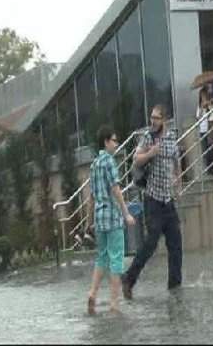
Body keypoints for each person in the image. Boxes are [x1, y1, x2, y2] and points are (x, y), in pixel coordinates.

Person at [121, 104, 183, 299]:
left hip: (168, 200)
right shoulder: (148, 137)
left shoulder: (171, 136)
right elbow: (136, 160)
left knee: (176, 245)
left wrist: (178, 180)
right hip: (153, 199)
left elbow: (175, 160)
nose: (153, 121)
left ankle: (174, 287)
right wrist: (150, 154)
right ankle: (129, 278)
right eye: (151, 118)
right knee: (151, 242)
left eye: (156, 118)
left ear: (164, 120)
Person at [87, 126, 136, 315]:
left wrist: (88, 223)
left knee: (102, 258)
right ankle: (114, 303)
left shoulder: (94, 164)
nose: (116, 144)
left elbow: (91, 197)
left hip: (99, 219)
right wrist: (126, 213)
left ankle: (93, 292)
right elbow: (116, 189)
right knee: (116, 259)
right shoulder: (109, 162)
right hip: (113, 218)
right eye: (114, 140)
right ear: (106, 141)